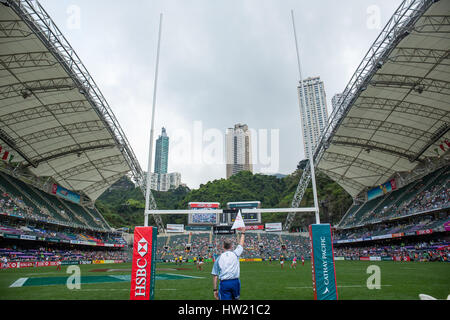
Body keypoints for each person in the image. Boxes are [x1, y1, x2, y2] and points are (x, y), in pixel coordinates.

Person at [211, 228, 245, 300]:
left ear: (223, 247)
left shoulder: (219, 258)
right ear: (232, 246)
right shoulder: (236, 254)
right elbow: (241, 244)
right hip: (235, 282)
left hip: (224, 283)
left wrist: (215, 290)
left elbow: (215, 276)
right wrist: (243, 233)